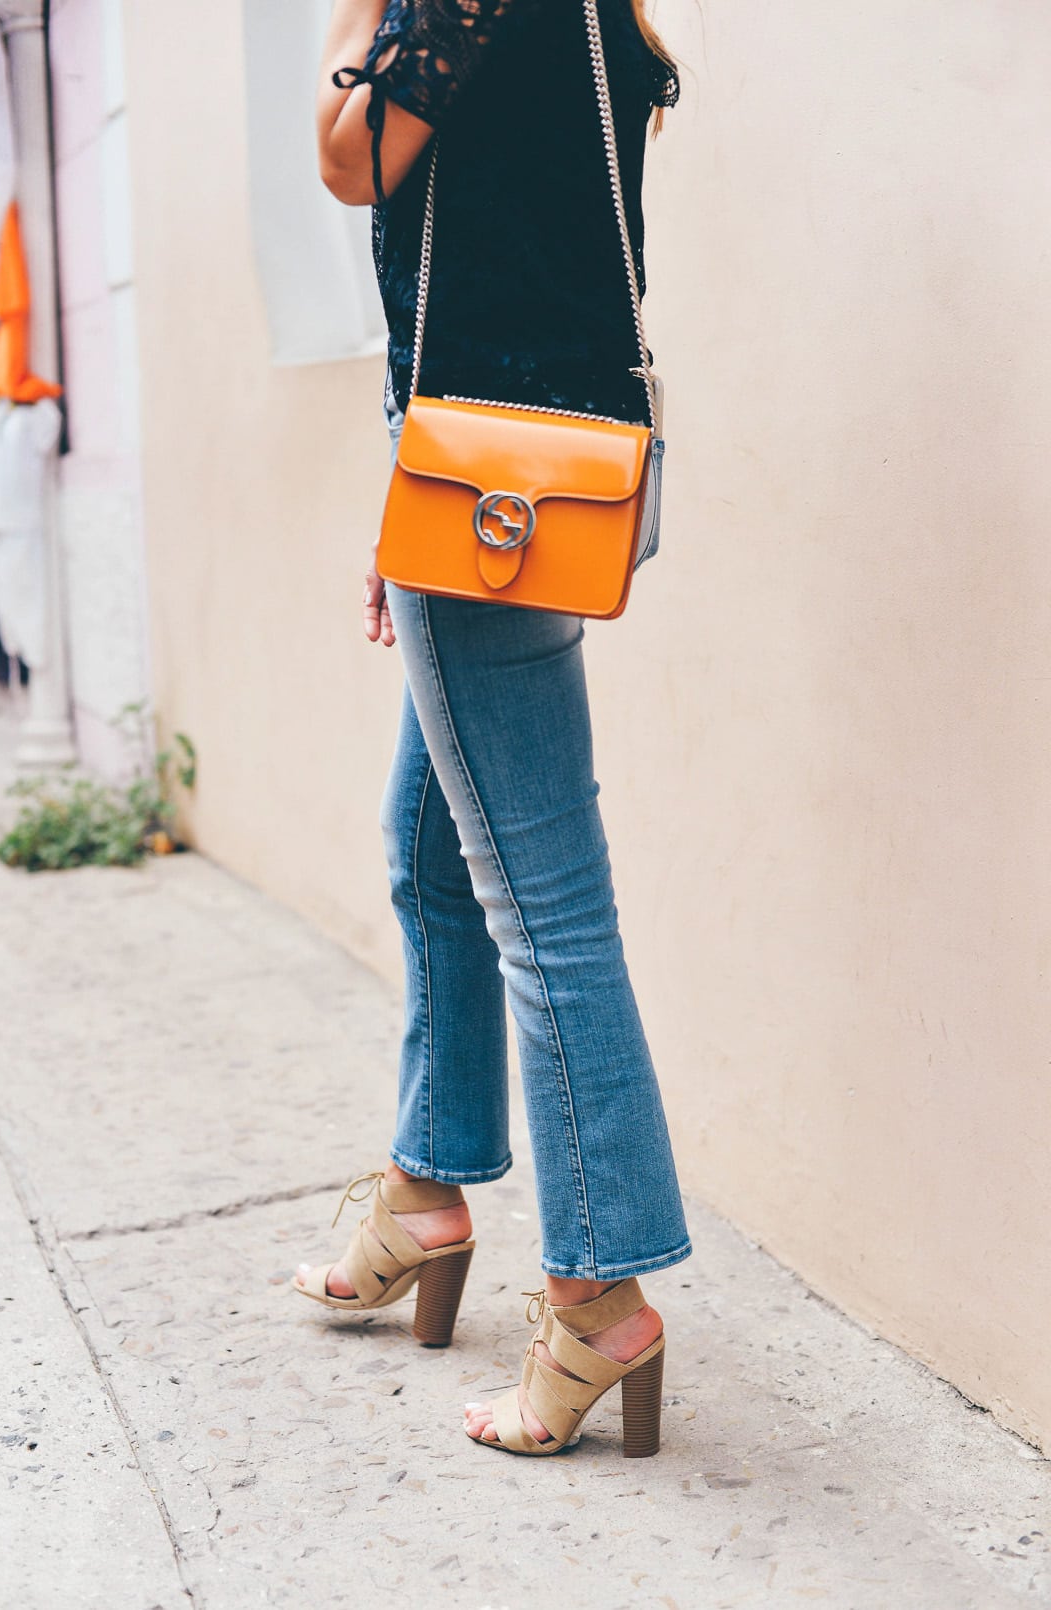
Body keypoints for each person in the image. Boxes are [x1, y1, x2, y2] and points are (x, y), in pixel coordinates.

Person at [294, 0, 691, 1459]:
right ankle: (426, 1182)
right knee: (430, 845)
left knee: (543, 901)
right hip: (537, 466)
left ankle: (597, 1291)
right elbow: (522, 230)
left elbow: (346, 164)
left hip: (494, 490)